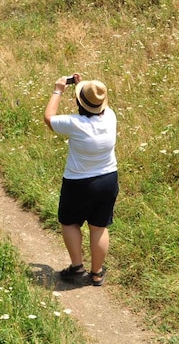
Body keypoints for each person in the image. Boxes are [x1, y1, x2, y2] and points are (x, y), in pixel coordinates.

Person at [43, 74, 118, 287]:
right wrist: (86, 89)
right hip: (107, 179)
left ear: (79, 102)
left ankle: (77, 267)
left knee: (69, 221)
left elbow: (48, 117)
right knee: (99, 227)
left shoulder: (74, 123)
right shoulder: (111, 117)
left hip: (78, 182)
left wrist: (58, 90)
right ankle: (97, 273)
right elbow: (97, 103)